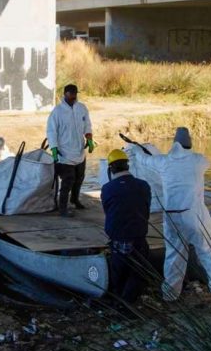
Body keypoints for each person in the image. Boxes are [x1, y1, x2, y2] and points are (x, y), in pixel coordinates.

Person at [128, 127, 211, 302]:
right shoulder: (198, 160)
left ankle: (170, 294)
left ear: (173, 144)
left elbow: (144, 160)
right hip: (195, 215)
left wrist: (136, 148)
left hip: (172, 216)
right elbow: (206, 163)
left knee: (174, 256)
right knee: (208, 252)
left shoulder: (164, 162)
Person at [101, 149, 153, 304]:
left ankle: (122, 302)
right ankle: (131, 299)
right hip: (139, 236)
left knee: (119, 271)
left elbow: (107, 210)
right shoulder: (144, 185)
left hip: (119, 238)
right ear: (127, 166)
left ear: (111, 169)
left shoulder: (107, 189)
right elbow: (146, 206)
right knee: (138, 270)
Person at [45, 84, 94, 217]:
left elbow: (87, 125)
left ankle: (75, 199)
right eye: (69, 96)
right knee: (68, 181)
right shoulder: (57, 112)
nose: (72, 98)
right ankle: (62, 209)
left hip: (79, 151)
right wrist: (54, 148)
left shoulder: (82, 108)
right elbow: (51, 131)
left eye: (74, 96)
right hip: (64, 153)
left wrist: (89, 138)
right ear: (65, 94)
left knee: (79, 178)